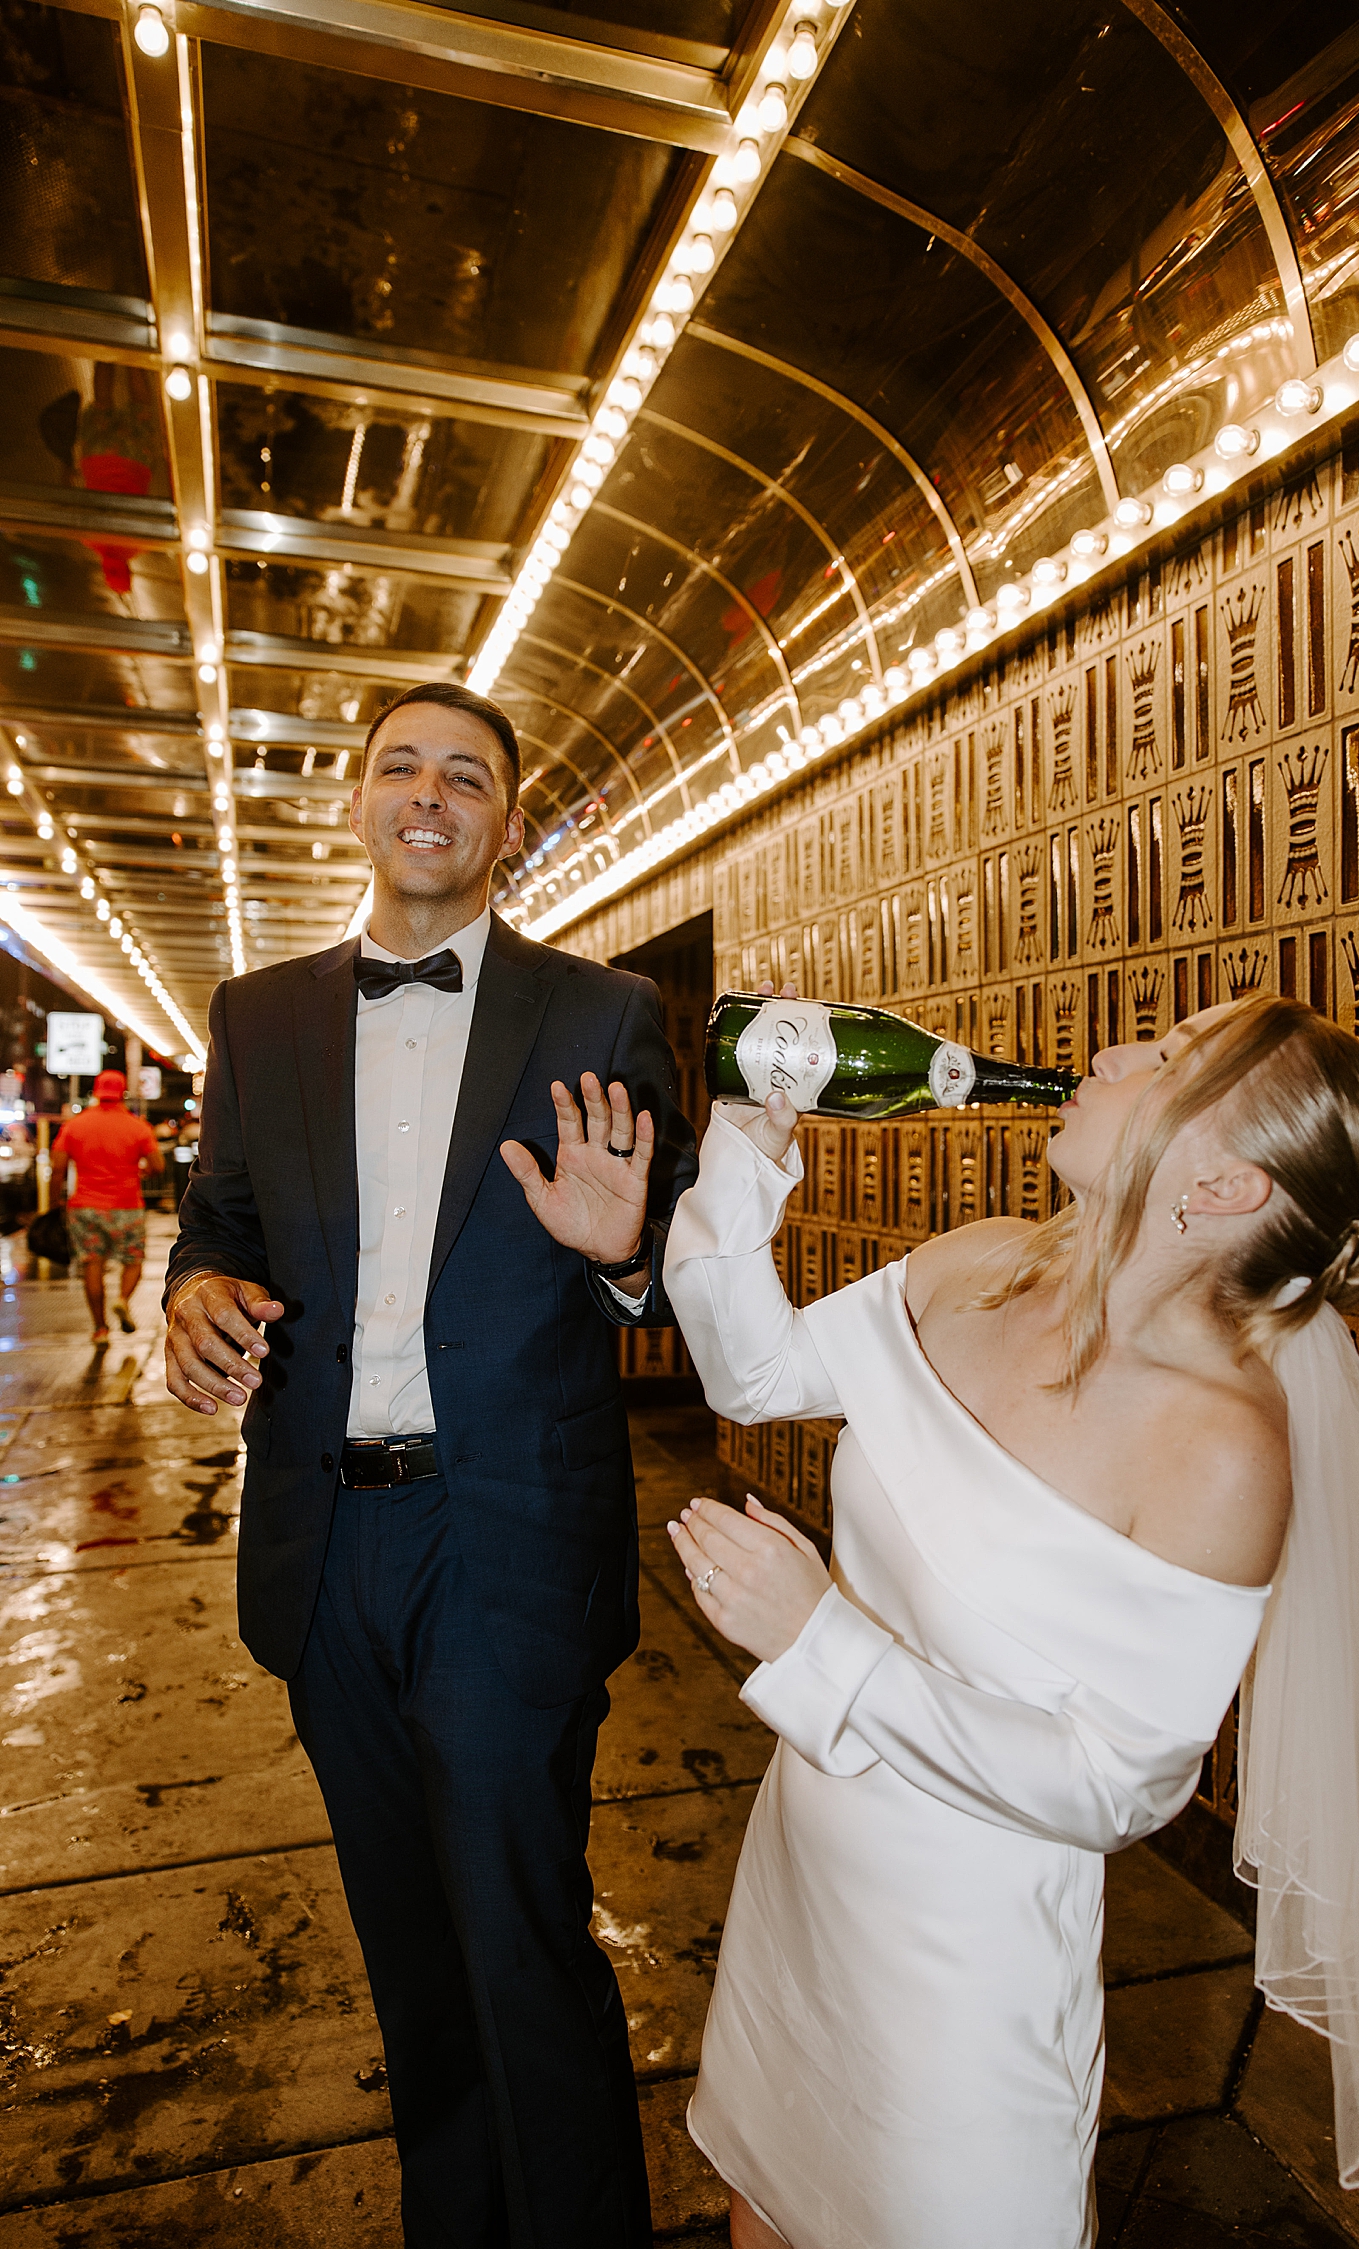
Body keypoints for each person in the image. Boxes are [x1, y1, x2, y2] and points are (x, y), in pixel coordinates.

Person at [657, 990, 1359, 2249]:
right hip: (804, 1881)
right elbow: (756, 1371)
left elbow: (1120, 1783)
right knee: (763, 2205)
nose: (1109, 1049)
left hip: (964, 1970)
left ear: (1219, 1188)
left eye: (1165, 1060)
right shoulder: (985, 1258)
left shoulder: (1219, 1446)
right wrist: (745, 1150)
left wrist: (822, 1640)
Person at [161, 680, 698, 2249]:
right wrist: (195, 1290)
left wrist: (621, 1257)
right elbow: (221, 1223)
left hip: (506, 1542)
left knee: (521, 1935)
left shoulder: (598, 1013)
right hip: (326, 1549)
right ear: (358, 801)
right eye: (401, 766)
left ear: (506, 823)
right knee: (405, 1945)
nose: (430, 794)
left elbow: (666, 1254)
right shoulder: (255, 1017)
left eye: (467, 776)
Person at [51, 1068, 163, 1341]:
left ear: (97, 1091)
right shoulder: (137, 1126)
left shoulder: (75, 1125)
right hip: (126, 1205)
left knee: (92, 1265)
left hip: (85, 1206)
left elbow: (58, 1168)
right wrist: (141, 1171)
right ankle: (123, 1299)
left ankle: (100, 1329)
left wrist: (55, 1203)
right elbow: (158, 1166)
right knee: (133, 1260)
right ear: (122, 1092)